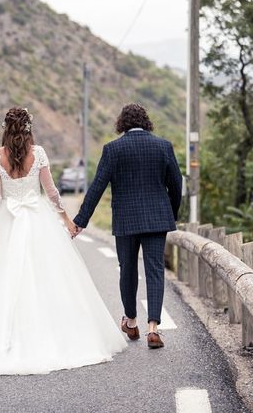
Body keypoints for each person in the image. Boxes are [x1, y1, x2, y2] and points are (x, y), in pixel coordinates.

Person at [0, 107, 126, 376]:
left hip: (6, 219)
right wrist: (66, 220)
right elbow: (51, 191)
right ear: (29, 128)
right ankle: (51, 337)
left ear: (5, 128)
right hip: (38, 218)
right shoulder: (37, 153)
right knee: (48, 278)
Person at [72, 104, 182, 349]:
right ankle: (153, 327)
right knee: (155, 270)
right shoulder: (163, 146)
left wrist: (80, 221)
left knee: (128, 269)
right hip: (156, 219)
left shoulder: (113, 149)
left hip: (125, 219)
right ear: (146, 122)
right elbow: (176, 185)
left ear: (122, 124)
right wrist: (171, 214)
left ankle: (131, 321)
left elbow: (97, 187)